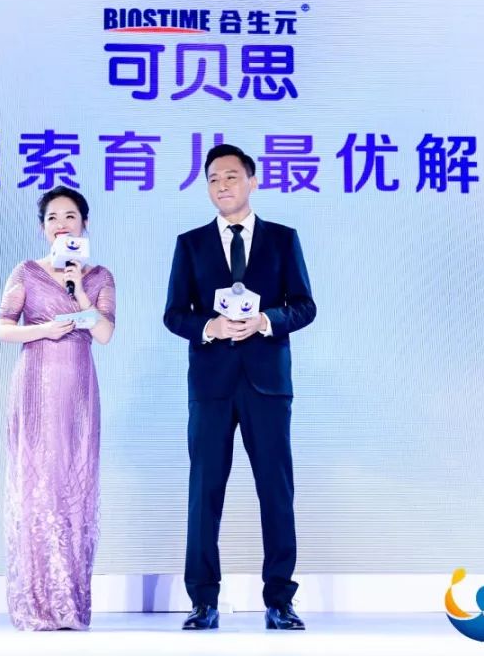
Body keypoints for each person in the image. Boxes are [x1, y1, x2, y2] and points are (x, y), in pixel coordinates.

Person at [163, 144, 317, 630]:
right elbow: (174, 314)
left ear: (253, 180)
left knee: (276, 490)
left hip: (267, 384)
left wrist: (265, 321)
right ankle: (203, 601)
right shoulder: (190, 244)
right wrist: (210, 327)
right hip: (211, 385)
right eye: (213, 179)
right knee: (204, 492)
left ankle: (280, 600)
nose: (222, 185)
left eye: (231, 176)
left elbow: (305, 306)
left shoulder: (282, 239)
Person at [0, 186, 116, 630]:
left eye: (70, 216)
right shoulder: (26, 272)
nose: (61, 224)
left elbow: (104, 334)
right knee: (36, 485)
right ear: (42, 228)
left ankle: (70, 603)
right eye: (52, 218)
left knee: (73, 484)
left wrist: (79, 290)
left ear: (85, 224)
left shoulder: (100, 277)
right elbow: (2, 329)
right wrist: (43, 330)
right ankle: (36, 604)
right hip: (35, 384)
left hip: (78, 390)